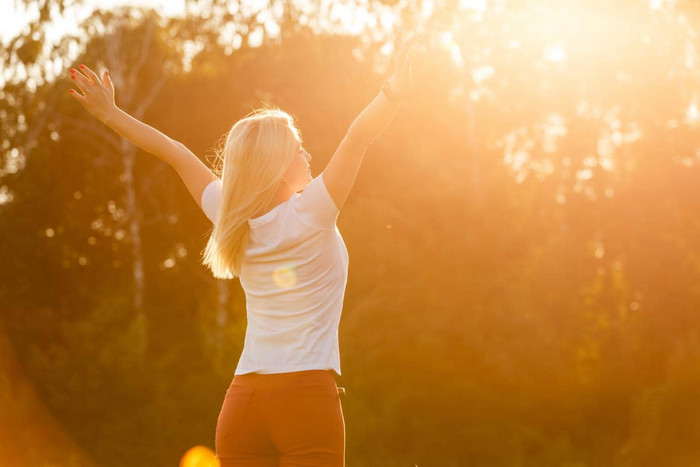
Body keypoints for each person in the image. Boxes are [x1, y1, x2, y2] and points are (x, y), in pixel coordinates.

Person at [68, 30, 417, 467]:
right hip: (306, 401)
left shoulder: (231, 217)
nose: (307, 155)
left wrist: (111, 114)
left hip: (243, 402)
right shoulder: (312, 211)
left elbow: (175, 153)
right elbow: (357, 136)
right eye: (298, 149)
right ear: (278, 165)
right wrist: (392, 92)